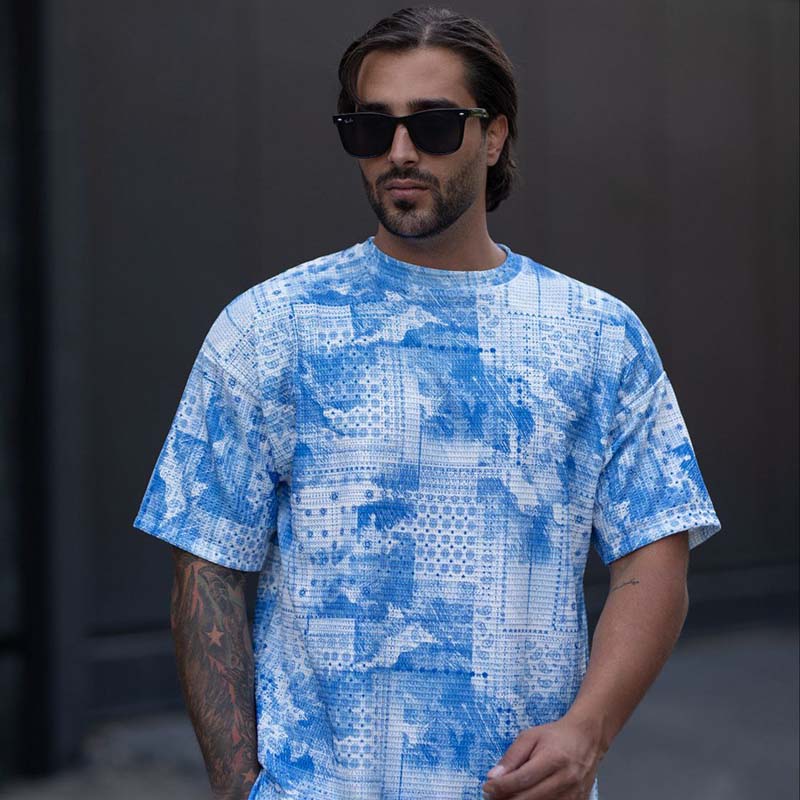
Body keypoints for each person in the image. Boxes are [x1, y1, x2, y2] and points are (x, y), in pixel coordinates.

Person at [133, 7, 722, 800]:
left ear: (494, 135)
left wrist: (590, 728)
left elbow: (654, 552)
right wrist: (241, 789)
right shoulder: (269, 329)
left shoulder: (597, 335)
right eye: (371, 127)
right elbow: (204, 566)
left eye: (435, 124)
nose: (400, 152)